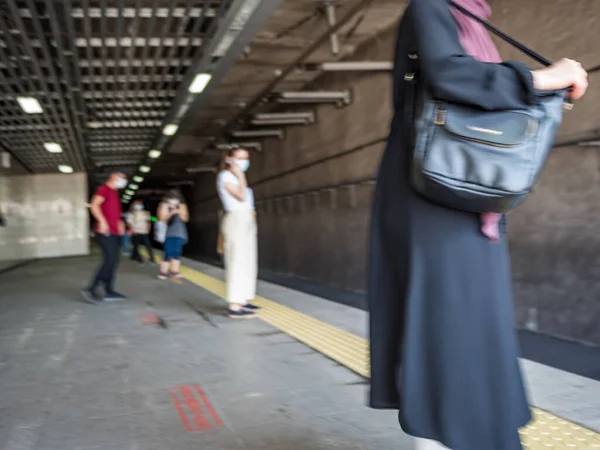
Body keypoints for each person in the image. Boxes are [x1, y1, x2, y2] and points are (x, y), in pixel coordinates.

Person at [367, 1, 588, 450]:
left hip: (465, 194)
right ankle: (452, 436)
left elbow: (481, 99)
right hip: (432, 191)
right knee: (447, 320)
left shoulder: (471, 21)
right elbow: (450, 74)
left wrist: (540, 91)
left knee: (469, 320)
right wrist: (539, 79)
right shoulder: (431, 6)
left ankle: (479, 434)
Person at [216, 147, 260, 319]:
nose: (244, 162)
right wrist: (241, 176)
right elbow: (240, 196)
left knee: (248, 260)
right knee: (237, 260)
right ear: (229, 160)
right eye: (239, 158)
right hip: (236, 219)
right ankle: (234, 305)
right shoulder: (225, 176)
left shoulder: (235, 177)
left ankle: (243, 298)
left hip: (247, 219)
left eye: (246, 158)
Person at [82, 172, 130, 304]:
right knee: (109, 261)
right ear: (113, 178)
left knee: (113, 261)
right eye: (122, 179)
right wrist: (102, 221)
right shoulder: (104, 189)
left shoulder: (114, 193)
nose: (124, 181)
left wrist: (120, 223)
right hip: (105, 231)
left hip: (113, 232)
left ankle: (109, 290)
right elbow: (94, 205)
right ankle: (91, 288)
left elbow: (114, 212)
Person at [157, 190, 189, 280]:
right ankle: (163, 272)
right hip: (167, 232)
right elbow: (161, 218)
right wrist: (171, 212)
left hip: (179, 232)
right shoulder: (163, 205)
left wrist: (179, 212)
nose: (174, 200)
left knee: (177, 251)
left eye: (176, 198)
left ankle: (175, 271)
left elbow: (185, 219)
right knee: (168, 251)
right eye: (172, 198)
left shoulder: (182, 206)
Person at [128, 200, 156, 265]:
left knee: (148, 246)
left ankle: (152, 258)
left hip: (144, 232)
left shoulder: (146, 213)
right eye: (137, 204)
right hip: (136, 232)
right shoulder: (132, 213)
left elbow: (150, 220)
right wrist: (131, 230)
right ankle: (136, 257)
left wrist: (149, 229)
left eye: (140, 204)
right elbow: (129, 223)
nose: (139, 206)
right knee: (136, 246)